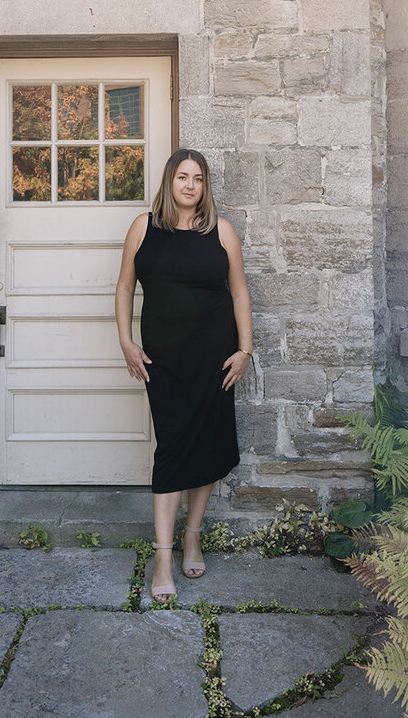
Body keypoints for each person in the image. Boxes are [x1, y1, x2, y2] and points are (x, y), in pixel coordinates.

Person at [114, 148, 253, 602]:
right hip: (164, 361)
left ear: (205, 185)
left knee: (206, 443)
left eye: (197, 178)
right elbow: (124, 285)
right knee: (172, 448)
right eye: (182, 177)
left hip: (214, 358)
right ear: (169, 182)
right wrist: (126, 341)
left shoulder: (222, 231)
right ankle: (162, 556)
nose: (190, 185)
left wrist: (245, 350)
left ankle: (192, 535)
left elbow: (238, 293)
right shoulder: (144, 227)